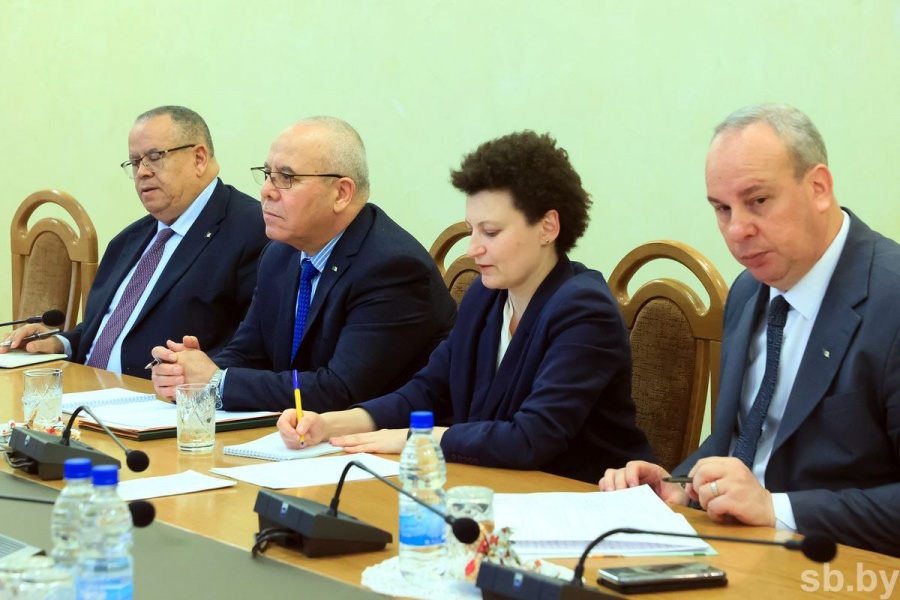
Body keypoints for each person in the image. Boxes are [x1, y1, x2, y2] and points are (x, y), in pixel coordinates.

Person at [599, 104, 900, 557]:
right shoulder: (747, 289)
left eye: (758, 201)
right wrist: (680, 485)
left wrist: (776, 509)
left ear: (819, 188)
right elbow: (748, 441)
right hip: (734, 549)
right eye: (722, 209)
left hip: (835, 566)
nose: (737, 230)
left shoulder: (890, 300)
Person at [277, 130, 655, 484]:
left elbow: (531, 438)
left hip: (584, 499)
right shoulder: (485, 296)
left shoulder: (585, 311)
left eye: (491, 232)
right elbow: (427, 390)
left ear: (547, 227)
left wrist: (416, 438)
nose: (473, 249)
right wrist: (331, 424)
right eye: (471, 229)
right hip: (493, 486)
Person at [149, 117, 457, 413]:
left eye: (286, 178)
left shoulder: (393, 269)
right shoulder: (279, 255)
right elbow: (248, 353)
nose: (266, 191)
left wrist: (218, 381)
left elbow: (340, 391)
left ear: (341, 193)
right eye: (268, 174)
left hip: (384, 441)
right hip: (298, 434)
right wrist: (188, 371)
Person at [0, 106, 267, 379]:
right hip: (82, 389)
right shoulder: (128, 240)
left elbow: (255, 349)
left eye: (154, 157)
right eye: (136, 162)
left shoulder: (253, 229)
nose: (142, 172)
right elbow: (111, 330)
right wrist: (61, 343)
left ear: (199, 158)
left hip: (158, 398)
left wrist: (199, 378)